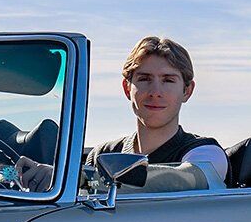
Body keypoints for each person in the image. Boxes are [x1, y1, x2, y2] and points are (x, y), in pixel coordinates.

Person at [18, 36, 226, 191]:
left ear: (187, 91)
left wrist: (76, 178)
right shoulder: (102, 154)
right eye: (144, 79)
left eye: (168, 80)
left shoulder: (206, 152)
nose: (155, 92)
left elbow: (184, 180)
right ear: (128, 89)